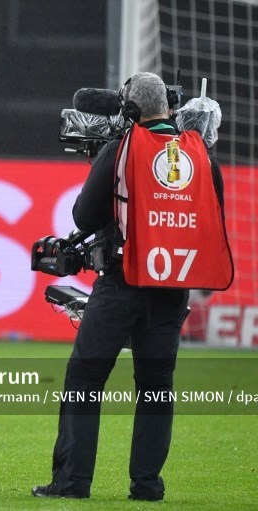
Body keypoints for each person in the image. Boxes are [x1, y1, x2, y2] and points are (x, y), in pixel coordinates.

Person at [32, 72, 231, 500]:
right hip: (174, 287)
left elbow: (84, 217)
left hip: (123, 283)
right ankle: (147, 486)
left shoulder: (119, 150)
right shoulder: (200, 153)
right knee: (157, 385)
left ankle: (72, 483)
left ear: (129, 111)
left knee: (85, 378)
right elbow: (213, 215)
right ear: (170, 108)